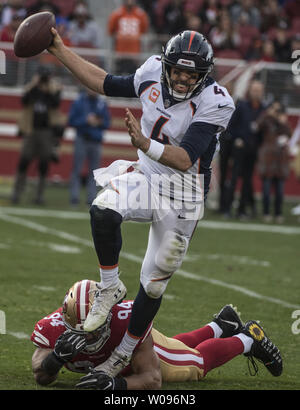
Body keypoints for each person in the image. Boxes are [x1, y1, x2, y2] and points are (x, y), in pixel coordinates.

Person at [47, 28, 235, 377]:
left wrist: (144, 142)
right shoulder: (149, 71)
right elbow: (103, 82)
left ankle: (122, 355)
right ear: (166, 66)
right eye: (177, 71)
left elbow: (184, 157)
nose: (182, 79)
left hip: (183, 195)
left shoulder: (217, 101)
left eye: (191, 74)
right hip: (147, 177)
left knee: (153, 283)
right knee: (103, 210)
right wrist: (59, 49)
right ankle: (109, 286)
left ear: (203, 75)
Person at [31, 280, 282, 389]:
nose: (88, 338)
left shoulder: (125, 321)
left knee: (193, 365)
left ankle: (247, 339)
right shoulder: (52, 328)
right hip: (132, 355)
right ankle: (221, 325)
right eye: (82, 331)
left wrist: (116, 385)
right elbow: (41, 376)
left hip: (132, 355)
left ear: (108, 313)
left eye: (95, 328)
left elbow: (152, 379)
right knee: (172, 346)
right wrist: (55, 359)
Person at [11, 66, 63, 205]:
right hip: (31, 129)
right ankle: (16, 192)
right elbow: (24, 101)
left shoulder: (54, 89)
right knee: (24, 161)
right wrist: (35, 85)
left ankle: (39, 195)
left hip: (47, 131)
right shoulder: (31, 88)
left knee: (44, 164)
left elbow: (55, 104)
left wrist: (47, 91)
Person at [224, 79, 266, 219]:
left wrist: (259, 144)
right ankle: (227, 209)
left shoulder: (263, 109)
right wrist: (237, 139)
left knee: (247, 181)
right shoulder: (242, 106)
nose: (256, 93)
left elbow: (263, 132)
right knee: (234, 178)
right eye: (254, 90)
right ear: (250, 90)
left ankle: (242, 210)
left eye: (259, 90)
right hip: (239, 148)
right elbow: (231, 126)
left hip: (252, 150)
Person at [68, 88, 111, 206]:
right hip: (82, 139)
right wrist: (85, 121)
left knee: (94, 172)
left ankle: (91, 198)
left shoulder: (101, 103)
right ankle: (74, 198)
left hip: (96, 141)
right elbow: (71, 120)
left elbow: (107, 123)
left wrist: (98, 122)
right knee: (77, 169)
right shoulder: (79, 101)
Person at [257, 101, 291, 223]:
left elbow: (289, 134)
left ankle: (278, 214)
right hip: (268, 161)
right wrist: (268, 115)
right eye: (274, 109)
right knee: (266, 190)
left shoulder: (284, 124)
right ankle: (266, 213)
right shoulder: (267, 121)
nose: (276, 113)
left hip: (280, 162)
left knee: (280, 191)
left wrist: (282, 122)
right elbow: (258, 126)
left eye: (278, 110)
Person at [107, 0, 149, 74]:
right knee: (118, 76)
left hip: (134, 54)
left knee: (133, 77)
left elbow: (144, 31)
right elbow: (111, 31)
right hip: (120, 53)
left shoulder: (141, 14)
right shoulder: (117, 14)